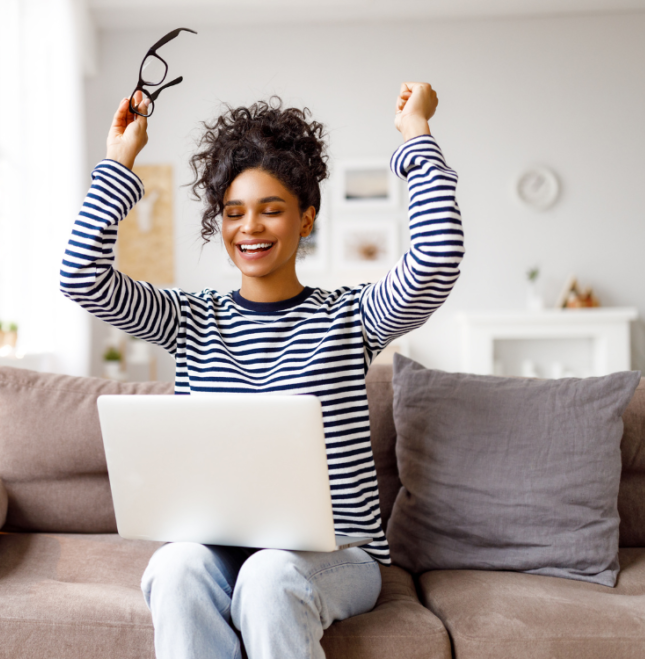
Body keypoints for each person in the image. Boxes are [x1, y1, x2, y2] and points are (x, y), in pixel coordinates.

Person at [59, 83, 463, 659]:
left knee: (270, 577)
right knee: (174, 566)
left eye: (272, 210)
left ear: (306, 220)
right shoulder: (188, 319)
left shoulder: (351, 316)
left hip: (338, 557)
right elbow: (81, 277)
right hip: (219, 550)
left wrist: (416, 135)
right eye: (233, 213)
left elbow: (437, 258)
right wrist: (119, 160)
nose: (250, 227)